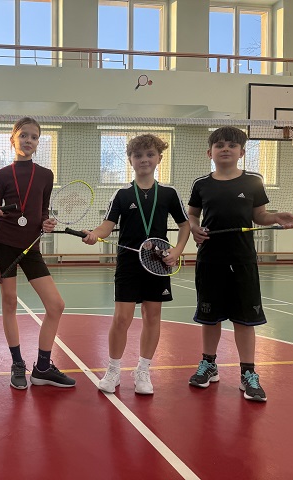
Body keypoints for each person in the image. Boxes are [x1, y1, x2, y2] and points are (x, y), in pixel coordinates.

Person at [187, 126, 293, 402]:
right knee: (210, 316)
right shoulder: (201, 184)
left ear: (242, 152)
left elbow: (259, 215)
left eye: (232, 145)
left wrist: (276, 217)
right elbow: (192, 214)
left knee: (244, 318)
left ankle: (248, 373)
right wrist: (194, 227)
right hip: (210, 258)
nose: (225, 149)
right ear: (210, 152)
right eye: (219, 145)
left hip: (243, 259)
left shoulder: (253, 181)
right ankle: (208, 364)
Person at [81, 134, 190, 395]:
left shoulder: (169, 193)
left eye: (150, 154)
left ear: (159, 158)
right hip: (129, 263)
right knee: (122, 318)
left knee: (152, 316)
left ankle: (143, 370)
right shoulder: (122, 194)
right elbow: (107, 226)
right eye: (138, 155)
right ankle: (113, 370)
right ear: (130, 160)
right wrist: (94, 234)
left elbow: (185, 225)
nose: (144, 159)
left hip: (158, 263)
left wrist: (177, 250)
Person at [0, 117, 75, 390]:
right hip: (4, 245)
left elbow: (43, 211)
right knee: (9, 303)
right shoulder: (2, 174)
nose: (28, 140)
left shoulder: (46, 175)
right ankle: (17, 364)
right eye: (23, 135)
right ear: (13, 139)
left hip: (31, 247)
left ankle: (43, 367)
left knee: (56, 305)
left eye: (34, 137)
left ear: (38, 142)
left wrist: (47, 222)